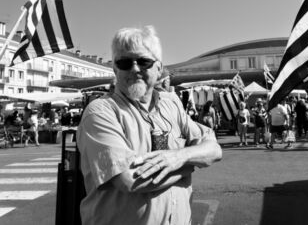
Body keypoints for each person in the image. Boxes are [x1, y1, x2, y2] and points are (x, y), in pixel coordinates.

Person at [76, 26, 222, 225]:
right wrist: (190, 164)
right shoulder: (101, 111)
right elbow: (130, 179)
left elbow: (213, 148)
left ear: (159, 68)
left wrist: (179, 156)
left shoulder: (171, 105)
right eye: (125, 62)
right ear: (115, 69)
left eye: (144, 61)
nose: (135, 69)